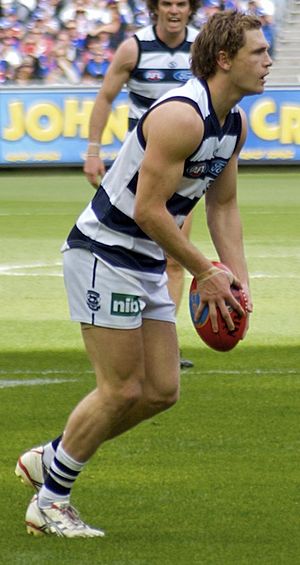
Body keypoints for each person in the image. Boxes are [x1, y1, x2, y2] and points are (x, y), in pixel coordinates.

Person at [15, 10, 272, 538]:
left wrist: (237, 282)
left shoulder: (235, 123)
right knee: (121, 388)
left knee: (161, 390)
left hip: (146, 258)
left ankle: (54, 458)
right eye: (257, 52)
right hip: (103, 252)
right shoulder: (182, 116)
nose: (268, 61)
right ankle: (51, 500)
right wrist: (205, 271)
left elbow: (223, 207)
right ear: (224, 59)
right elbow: (147, 211)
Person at [84, 0, 201, 369]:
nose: (174, 9)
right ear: (155, 8)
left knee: (174, 257)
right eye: (166, 2)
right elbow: (105, 97)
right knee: (133, 253)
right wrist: (92, 149)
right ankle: (129, 336)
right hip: (138, 172)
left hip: (183, 172)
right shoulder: (134, 47)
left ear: (190, 9)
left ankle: (166, 345)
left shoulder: (201, 48)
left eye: (181, 3)